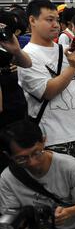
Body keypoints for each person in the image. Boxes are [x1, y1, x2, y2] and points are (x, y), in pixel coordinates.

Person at [17, 0, 75, 168]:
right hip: (53, 139)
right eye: (49, 20)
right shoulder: (26, 57)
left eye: (57, 20)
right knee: (56, 191)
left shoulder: (64, 50)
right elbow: (47, 91)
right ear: (32, 20)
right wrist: (73, 67)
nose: (55, 25)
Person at [0, 9, 32, 172]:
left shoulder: (5, 47)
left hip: (16, 111)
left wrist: (15, 49)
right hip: (4, 115)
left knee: (20, 161)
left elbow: (27, 63)